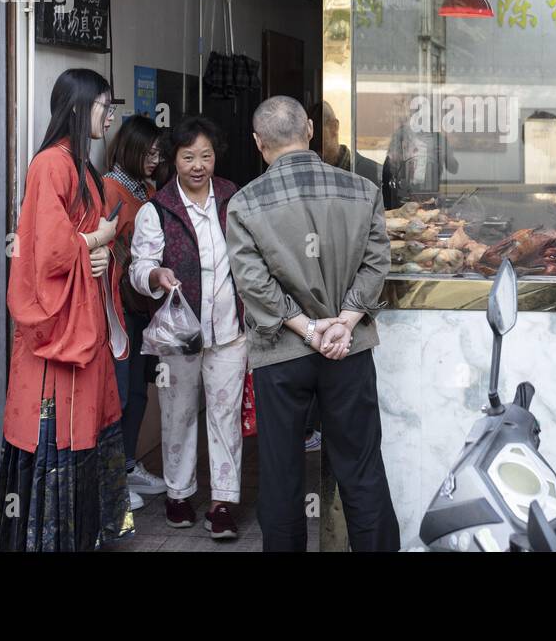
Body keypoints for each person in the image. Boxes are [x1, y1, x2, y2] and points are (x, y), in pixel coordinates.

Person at [227, 95, 400, 552]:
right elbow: (376, 262)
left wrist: (305, 328)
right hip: (348, 350)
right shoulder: (363, 190)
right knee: (361, 470)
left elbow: (254, 284)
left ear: (258, 144)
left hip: (282, 355)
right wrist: (343, 322)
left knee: (282, 478)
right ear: (309, 129)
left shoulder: (245, 204)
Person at [0, 68, 133, 551]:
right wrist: (96, 239)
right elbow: (48, 251)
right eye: (103, 107)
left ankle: (80, 536)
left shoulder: (83, 166)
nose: (109, 118)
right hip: (62, 329)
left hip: (82, 316)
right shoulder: (52, 163)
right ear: (78, 107)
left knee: (85, 430)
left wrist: (97, 250)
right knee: (57, 432)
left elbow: (71, 246)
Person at [128, 115, 249, 540]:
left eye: (205, 156)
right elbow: (138, 267)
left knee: (224, 417)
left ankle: (222, 502)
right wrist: (155, 275)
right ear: (174, 160)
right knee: (178, 415)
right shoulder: (156, 209)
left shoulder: (233, 198)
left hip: (229, 332)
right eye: (188, 157)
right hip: (179, 337)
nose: (198, 165)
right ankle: (178, 494)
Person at [102, 114, 167, 510]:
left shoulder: (145, 190)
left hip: (143, 306)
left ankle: (126, 466)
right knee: (121, 394)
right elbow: (109, 250)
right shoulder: (111, 189)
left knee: (139, 392)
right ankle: (112, 482)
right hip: (122, 308)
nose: (156, 158)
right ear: (131, 148)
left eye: (160, 152)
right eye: (150, 150)